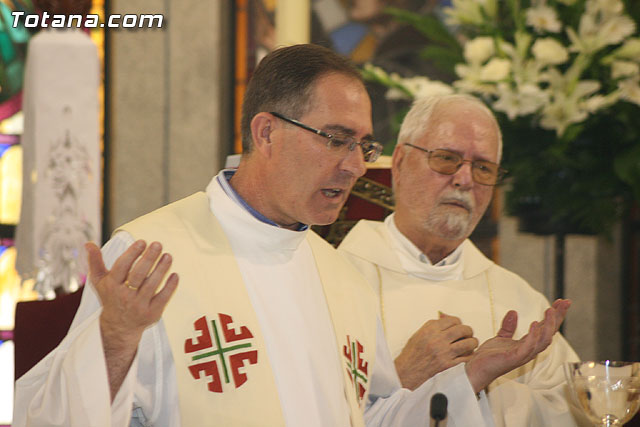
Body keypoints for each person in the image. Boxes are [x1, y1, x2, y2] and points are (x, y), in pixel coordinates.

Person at [15, 45, 569, 427]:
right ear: (267, 132)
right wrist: (114, 338)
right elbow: (57, 414)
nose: (356, 166)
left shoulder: (340, 274)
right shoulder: (152, 254)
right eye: (336, 139)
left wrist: (472, 375)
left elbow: (371, 416)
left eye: (364, 145)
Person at [338, 94, 584, 426]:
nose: (464, 179)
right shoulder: (335, 280)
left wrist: (487, 388)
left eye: (483, 167)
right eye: (446, 158)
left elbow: (571, 409)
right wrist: (401, 377)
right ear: (399, 162)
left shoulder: (520, 301)